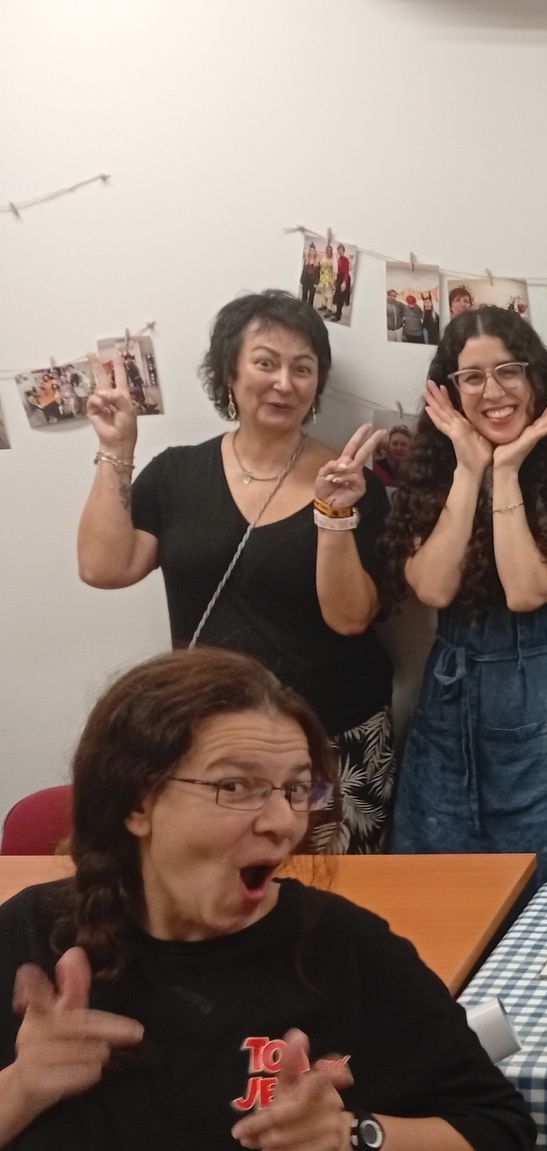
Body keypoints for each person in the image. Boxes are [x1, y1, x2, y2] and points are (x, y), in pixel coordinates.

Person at [0, 647, 534, 1151]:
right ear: (137, 801)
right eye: (235, 786)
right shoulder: (31, 941)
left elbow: (498, 1145)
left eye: (295, 788)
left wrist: (350, 1141)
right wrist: (21, 1087)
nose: (282, 820)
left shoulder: (345, 955)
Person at [77, 289, 396, 852]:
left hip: (331, 739)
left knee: (330, 894)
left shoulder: (351, 482)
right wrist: (117, 449)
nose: (284, 383)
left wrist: (334, 514)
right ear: (229, 371)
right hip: (208, 740)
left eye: (303, 369)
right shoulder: (177, 474)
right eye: (265, 362)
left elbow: (350, 619)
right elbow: (105, 567)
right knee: (220, 889)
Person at [385, 306, 547, 885]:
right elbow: (434, 587)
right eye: (472, 377)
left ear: (536, 378)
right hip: (445, 709)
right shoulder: (431, 478)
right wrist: (469, 470)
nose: (493, 391)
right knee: (434, 894)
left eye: (508, 370)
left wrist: (506, 472)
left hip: (546, 713)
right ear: (451, 391)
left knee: (539, 891)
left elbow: (526, 590)